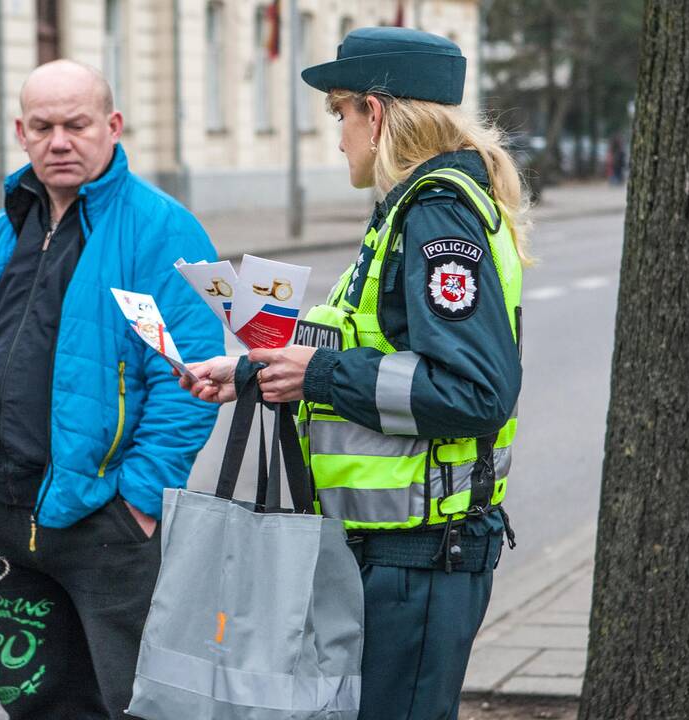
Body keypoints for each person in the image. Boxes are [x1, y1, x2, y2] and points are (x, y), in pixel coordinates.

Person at [179, 27, 531, 720]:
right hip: (393, 553)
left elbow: (474, 391)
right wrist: (251, 371)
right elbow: (359, 339)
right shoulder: (406, 210)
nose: (337, 134)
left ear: (377, 112)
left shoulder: (436, 214)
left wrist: (319, 376)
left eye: (339, 111)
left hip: (421, 557)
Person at [0, 60, 224, 719]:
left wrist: (140, 503)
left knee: (139, 705)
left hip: (103, 523)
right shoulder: (0, 229)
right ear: (21, 132)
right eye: (42, 126)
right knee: (39, 706)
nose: (59, 140)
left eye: (76, 124)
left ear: (112, 126)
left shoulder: (163, 230)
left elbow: (187, 378)